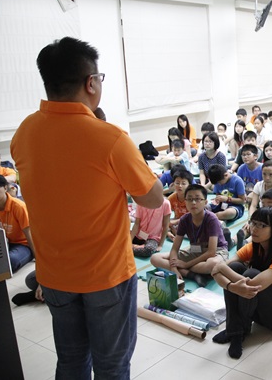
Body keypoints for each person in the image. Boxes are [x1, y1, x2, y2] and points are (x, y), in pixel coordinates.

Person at [10, 37, 163, 378]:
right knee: (111, 366)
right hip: (106, 275)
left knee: (71, 361)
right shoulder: (110, 138)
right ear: (91, 83)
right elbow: (153, 198)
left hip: (54, 273)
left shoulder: (24, 132)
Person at [211, 207, 272, 359]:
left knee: (250, 274)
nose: (254, 229)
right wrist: (231, 286)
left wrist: (221, 268)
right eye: (253, 223)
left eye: (262, 225)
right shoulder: (255, 246)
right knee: (235, 268)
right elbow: (218, 271)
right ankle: (236, 332)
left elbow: (253, 283)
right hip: (259, 311)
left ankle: (240, 330)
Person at [151, 184, 229, 286]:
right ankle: (192, 274)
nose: (193, 203)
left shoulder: (212, 219)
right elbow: (174, 249)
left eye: (198, 199)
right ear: (185, 201)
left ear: (205, 202)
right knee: (155, 258)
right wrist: (174, 268)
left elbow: (211, 252)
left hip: (217, 251)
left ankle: (189, 271)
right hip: (195, 249)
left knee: (213, 264)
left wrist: (186, 264)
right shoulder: (184, 219)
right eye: (190, 199)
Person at [0, 174, 34, 272]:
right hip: (2, 244)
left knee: (10, 261)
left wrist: (37, 255)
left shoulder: (18, 206)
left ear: (5, 188)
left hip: (23, 244)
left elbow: (29, 232)